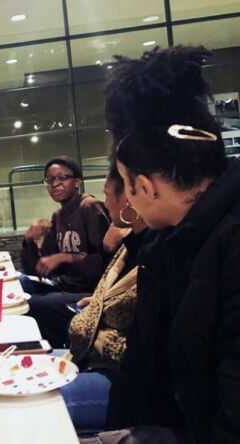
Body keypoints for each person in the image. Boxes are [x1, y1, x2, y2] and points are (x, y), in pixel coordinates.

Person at [92, 46, 240, 443]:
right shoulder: (165, 243)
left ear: (143, 187)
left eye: (123, 184)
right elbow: (139, 375)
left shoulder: (229, 247)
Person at [57, 160, 148, 433]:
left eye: (108, 194)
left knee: (35, 403)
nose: (105, 202)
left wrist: (96, 318)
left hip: (123, 380)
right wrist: (98, 302)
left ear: (132, 196)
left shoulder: (159, 252)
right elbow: (109, 293)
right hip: (91, 358)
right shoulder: (130, 244)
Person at [20, 156, 110, 295]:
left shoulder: (90, 207)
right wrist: (29, 239)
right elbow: (40, 268)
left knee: (32, 302)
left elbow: (104, 261)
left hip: (89, 291)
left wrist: (65, 257)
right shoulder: (58, 216)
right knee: (17, 283)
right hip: (64, 284)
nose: (54, 184)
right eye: (49, 180)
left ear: (77, 182)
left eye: (62, 178)